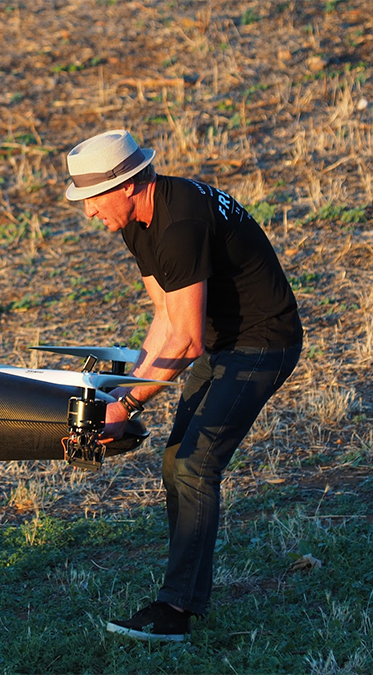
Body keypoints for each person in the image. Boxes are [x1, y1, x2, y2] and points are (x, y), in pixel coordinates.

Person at [64, 130, 303, 642]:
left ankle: (176, 612)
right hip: (222, 343)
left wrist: (128, 402)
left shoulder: (179, 224)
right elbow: (167, 319)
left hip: (262, 343)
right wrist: (120, 393)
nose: (87, 213)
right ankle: (183, 598)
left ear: (126, 186)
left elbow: (188, 340)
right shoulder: (139, 222)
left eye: (91, 200)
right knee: (177, 462)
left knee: (196, 465)